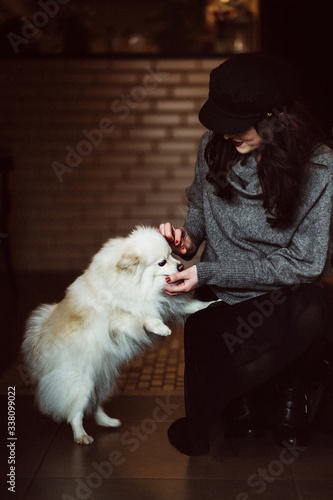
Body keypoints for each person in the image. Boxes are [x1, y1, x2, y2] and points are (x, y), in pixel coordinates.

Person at [159, 53, 333, 456]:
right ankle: (247, 394)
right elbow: (200, 212)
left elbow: (305, 263)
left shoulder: (320, 165)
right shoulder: (213, 146)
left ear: (278, 118)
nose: (225, 134)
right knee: (214, 331)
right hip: (221, 297)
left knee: (316, 310)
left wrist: (207, 270)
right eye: (220, 123)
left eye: (236, 125)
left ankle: (288, 391)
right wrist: (187, 242)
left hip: (282, 297)